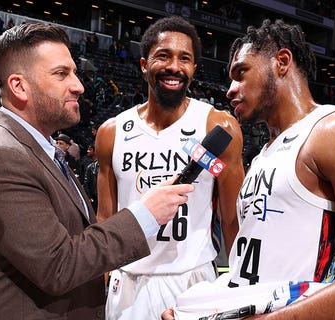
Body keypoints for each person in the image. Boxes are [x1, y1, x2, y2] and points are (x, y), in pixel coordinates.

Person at [163, 19, 335, 320]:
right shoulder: (262, 156)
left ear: (281, 62)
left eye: (241, 73)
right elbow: (256, 274)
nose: (230, 89)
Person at [0, 23, 194, 319]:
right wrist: (146, 214)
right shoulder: (1, 157)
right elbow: (58, 265)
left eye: (74, 73)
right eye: (61, 74)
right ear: (19, 86)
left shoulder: (36, 150)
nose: (78, 85)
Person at [96, 16, 244, 320]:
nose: (174, 67)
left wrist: (238, 285)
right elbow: (105, 217)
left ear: (193, 69)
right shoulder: (112, 132)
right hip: (128, 281)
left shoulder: (217, 125)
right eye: (163, 56)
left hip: (193, 280)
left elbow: (231, 218)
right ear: (143, 64)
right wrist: (102, 272)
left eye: (184, 59)